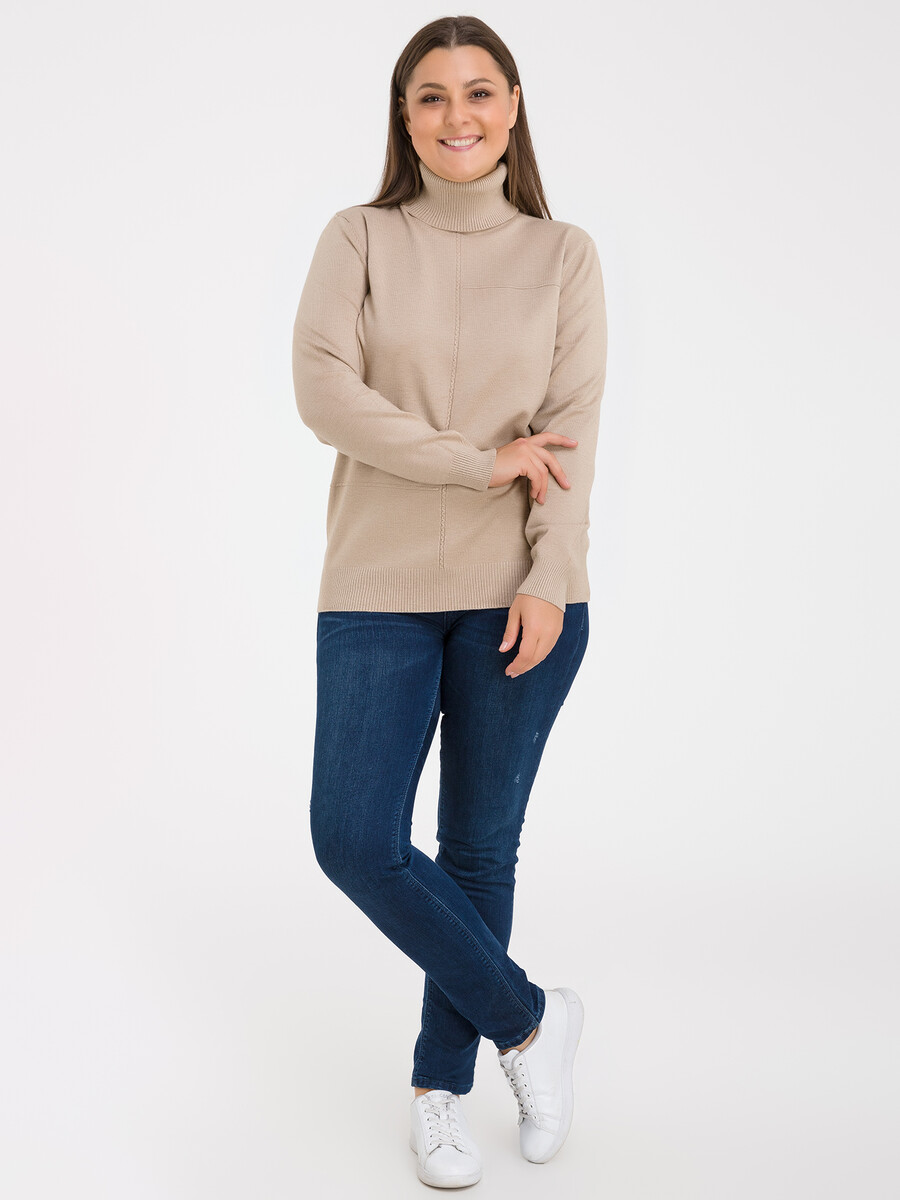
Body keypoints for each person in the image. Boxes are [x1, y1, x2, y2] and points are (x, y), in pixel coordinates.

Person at [292, 15, 608, 1190]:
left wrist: (550, 577)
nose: (457, 115)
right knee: (354, 839)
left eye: (480, 92)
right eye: (432, 96)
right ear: (405, 115)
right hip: (375, 582)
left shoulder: (565, 255)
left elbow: (572, 436)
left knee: (476, 851)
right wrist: (476, 463)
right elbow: (325, 394)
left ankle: (441, 1089)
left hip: (516, 590)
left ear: (513, 108)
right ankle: (531, 1022)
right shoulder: (360, 238)